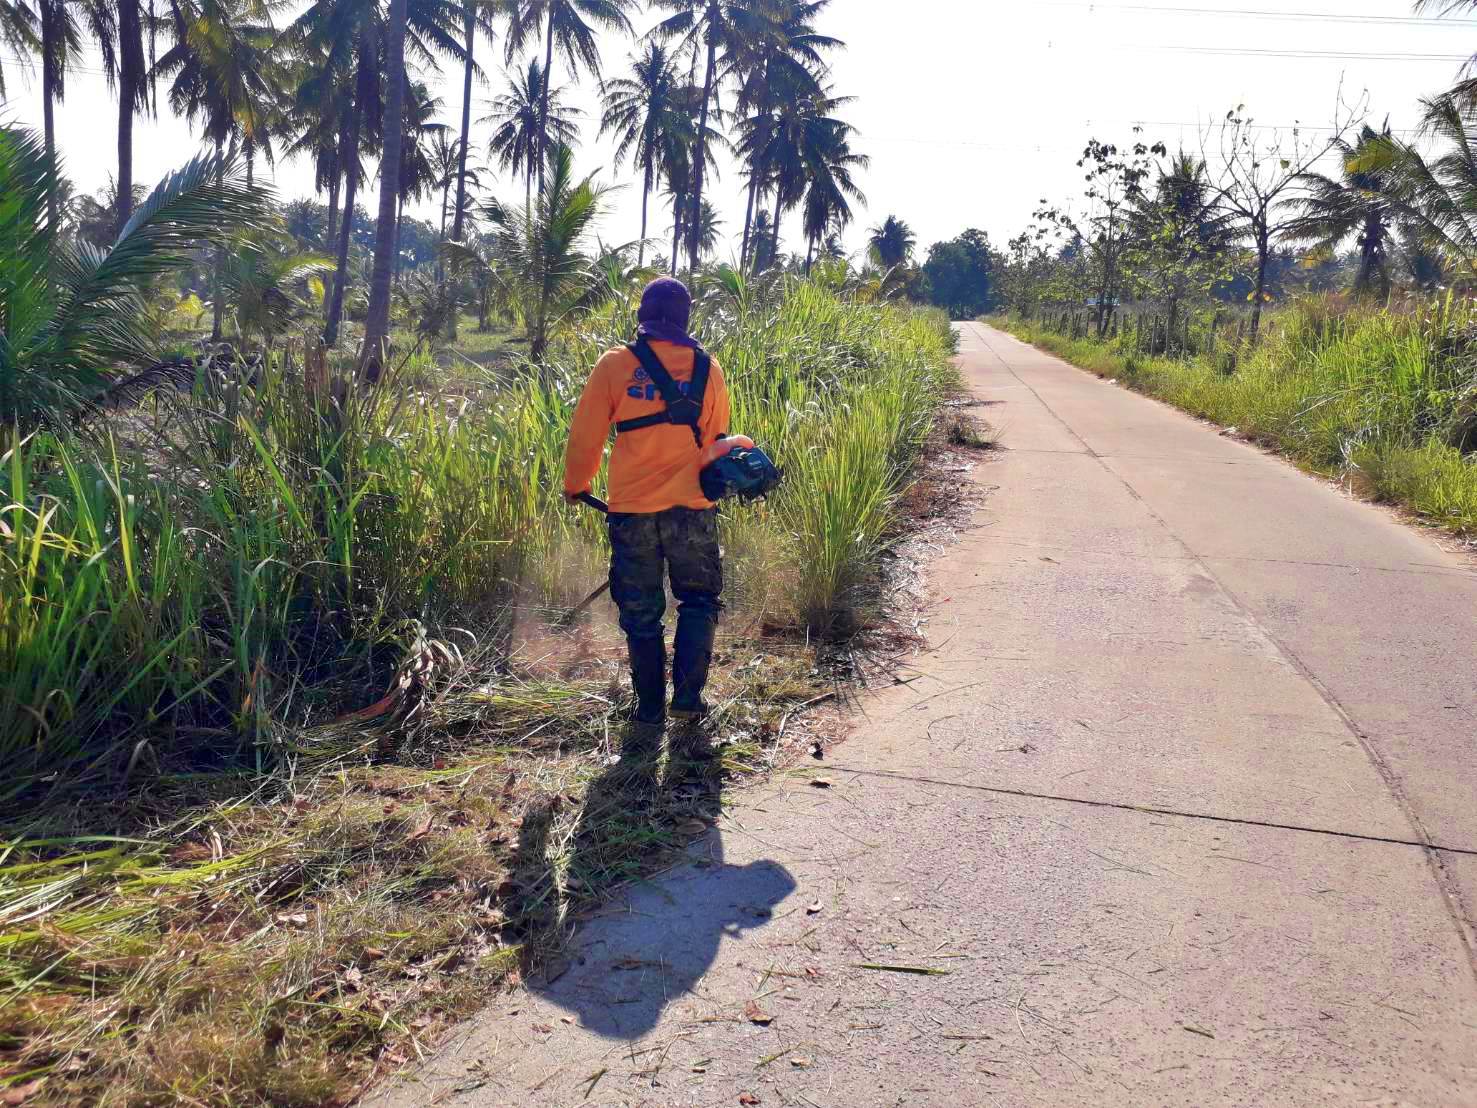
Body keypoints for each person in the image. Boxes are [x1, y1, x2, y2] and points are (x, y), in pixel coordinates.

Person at [562, 277, 730, 727]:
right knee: (698, 599)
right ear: (684, 320)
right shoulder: (708, 370)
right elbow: (716, 443)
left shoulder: (616, 365)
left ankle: (650, 709)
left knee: (640, 611)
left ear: (643, 317)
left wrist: (576, 485)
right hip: (693, 510)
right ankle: (689, 699)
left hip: (633, 512)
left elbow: (586, 438)